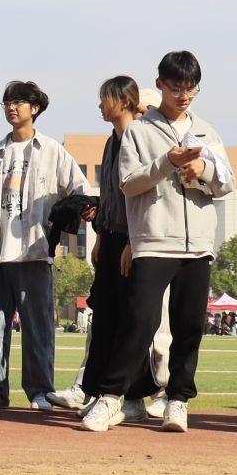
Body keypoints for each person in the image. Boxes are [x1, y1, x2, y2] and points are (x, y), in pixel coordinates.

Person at [98, 53, 234, 435]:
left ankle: (178, 400)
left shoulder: (207, 131)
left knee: (190, 327)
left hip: (198, 246)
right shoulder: (139, 132)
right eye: (176, 88)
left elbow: (227, 183)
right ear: (159, 84)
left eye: (191, 88)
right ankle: (111, 397)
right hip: (154, 240)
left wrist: (204, 170)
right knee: (139, 321)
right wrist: (167, 163)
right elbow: (128, 183)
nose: (184, 95)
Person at [0, 80, 92, 411]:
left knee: (38, 326)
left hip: (34, 252)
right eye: (7, 102)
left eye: (18, 102)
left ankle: (39, 391)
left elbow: (79, 189)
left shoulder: (50, 150)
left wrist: (58, 225)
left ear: (34, 108)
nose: (11, 107)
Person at [75, 79, 151, 422]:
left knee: (127, 320)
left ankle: (129, 396)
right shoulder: (111, 142)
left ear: (124, 101)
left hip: (133, 239)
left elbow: (144, 195)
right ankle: (102, 392)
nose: (100, 105)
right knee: (104, 316)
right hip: (110, 237)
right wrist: (100, 238)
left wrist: (133, 242)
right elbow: (108, 194)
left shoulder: (140, 137)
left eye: (105, 99)